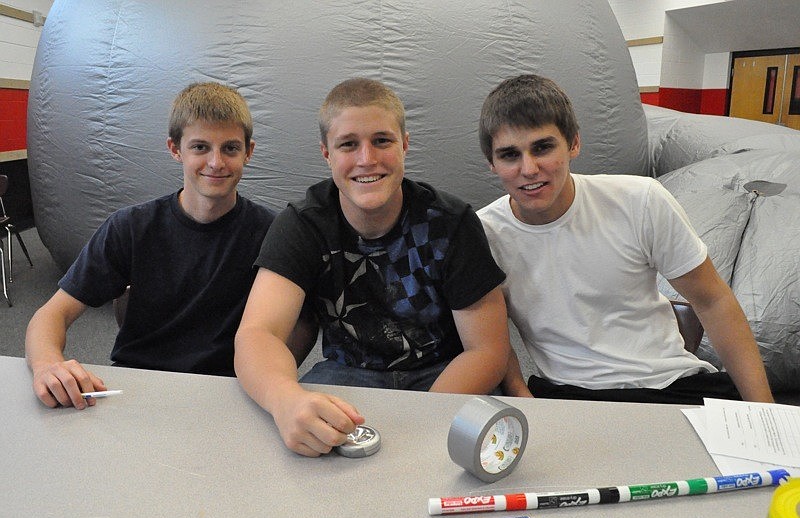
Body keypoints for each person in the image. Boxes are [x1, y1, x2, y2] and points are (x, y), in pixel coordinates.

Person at [234, 78, 511, 457]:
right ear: (326, 153)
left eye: (382, 140)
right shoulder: (302, 224)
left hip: (444, 373)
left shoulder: (451, 222)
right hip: (347, 375)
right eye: (348, 144)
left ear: (405, 145)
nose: (367, 159)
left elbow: (487, 351)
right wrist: (286, 400)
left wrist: (419, 421)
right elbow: (257, 334)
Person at [476, 74, 774, 404]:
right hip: (570, 396)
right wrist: (522, 398)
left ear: (574, 143)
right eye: (509, 155)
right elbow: (490, 342)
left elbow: (714, 301)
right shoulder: (483, 235)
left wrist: (764, 411)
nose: (529, 168)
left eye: (543, 147)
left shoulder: (640, 200)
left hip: (671, 383)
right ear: (491, 162)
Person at [26, 82, 276, 409]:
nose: (216, 162)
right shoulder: (130, 227)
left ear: (249, 151)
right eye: (200, 147)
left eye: (230, 148)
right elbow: (51, 314)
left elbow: (299, 327)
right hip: (136, 386)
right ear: (175, 149)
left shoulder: (272, 233)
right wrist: (47, 364)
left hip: (230, 394)